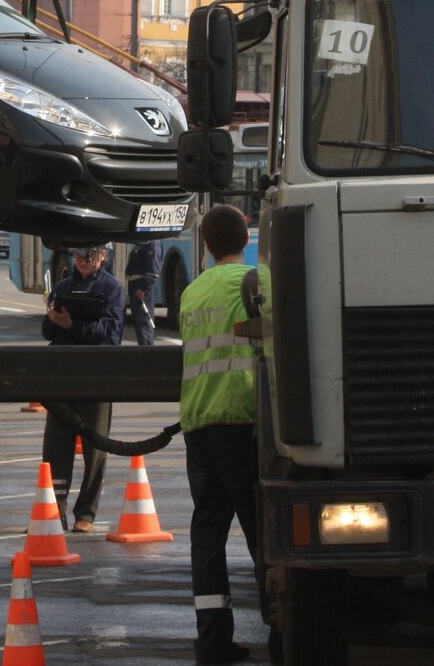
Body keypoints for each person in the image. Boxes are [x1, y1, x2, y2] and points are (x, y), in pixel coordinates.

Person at [179, 205, 263, 664]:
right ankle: (282, 621)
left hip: (199, 424)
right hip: (242, 421)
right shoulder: (256, 283)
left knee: (208, 533)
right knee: (260, 530)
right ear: (245, 237)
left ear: (207, 246)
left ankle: (212, 641)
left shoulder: (192, 293)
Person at [41, 243, 124, 532]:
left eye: (88, 255)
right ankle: (54, 512)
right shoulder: (63, 286)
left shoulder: (112, 288)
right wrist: (53, 321)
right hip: (62, 375)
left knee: (96, 446)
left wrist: (71, 325)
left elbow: (110, 334)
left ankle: (86, 513)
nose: (82, 261)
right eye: (76, 255)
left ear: (102, 256)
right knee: (55, 447)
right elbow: (46, 330)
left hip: (97, 375)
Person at [124, 239, 162, 346]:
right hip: (135, 285)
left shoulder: (154, 242)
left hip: (142, 287)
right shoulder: (143, 241)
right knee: (138, 323)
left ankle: (147, 353)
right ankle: (143, 350)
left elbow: (153, 269)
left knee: (144, 323)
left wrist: (143, 288)